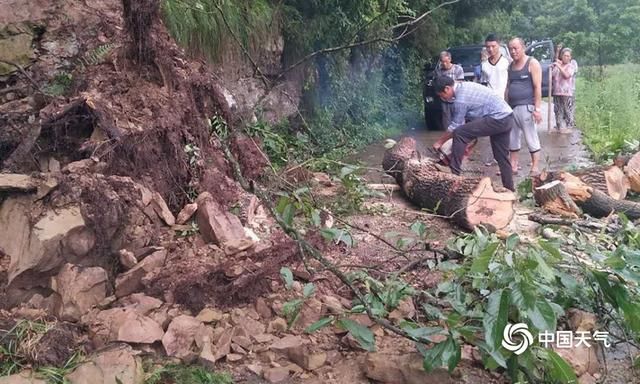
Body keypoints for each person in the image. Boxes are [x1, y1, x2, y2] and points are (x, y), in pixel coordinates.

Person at [432, 75, 515, 191]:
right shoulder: (464, 86)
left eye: (442, 96)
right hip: (507, 117)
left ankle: (454, 172)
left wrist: (439, 143)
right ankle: (510, 189)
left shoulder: (460, 99)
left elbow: (456, 126)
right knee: (501, 157)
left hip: (497, 118)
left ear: (447, 88)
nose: (443, 99)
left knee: (460, 133)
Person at [506, 37, 543, 177]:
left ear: (523, 48)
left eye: (516, 48)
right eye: (511, 49)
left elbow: (537, 87)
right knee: (512, 138)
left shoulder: (532, 63)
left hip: (527, 106)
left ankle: (535, 166)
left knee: (530, 137)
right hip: (512, 107)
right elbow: (508, 87)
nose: (513, 51)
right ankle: (513, 165)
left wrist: (537, 109)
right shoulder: (510, 66)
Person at [482, 34, 510, 100]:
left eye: (493, 46)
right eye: (488, 47)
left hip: (504, 99)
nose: (491, 49)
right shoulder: (484, 65)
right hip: (489, 99)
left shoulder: (507, 61)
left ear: (499, 45)